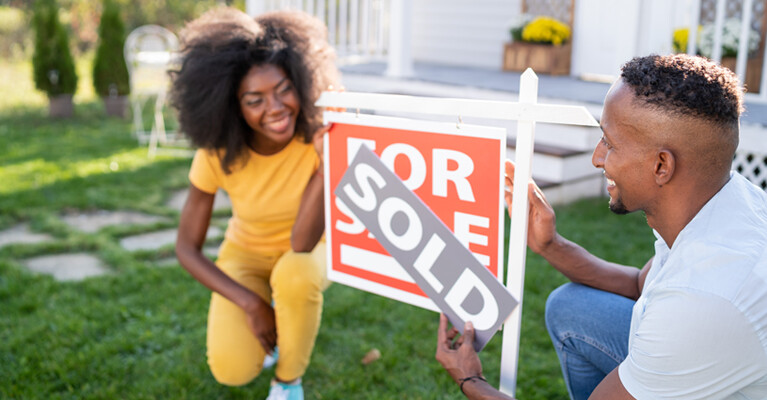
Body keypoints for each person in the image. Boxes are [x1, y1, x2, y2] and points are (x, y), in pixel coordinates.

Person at [436, 53, 767, 399]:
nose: (597, 157)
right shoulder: (725, 200)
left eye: (609, 143)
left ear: (661, 166)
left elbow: (693, 304)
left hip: (704, 340)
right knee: (572, 307)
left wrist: (470, 380)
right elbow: (640, 283)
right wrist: (551, 245)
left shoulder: (703, 301)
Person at [171, 7, 340, 400]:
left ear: (302, 80)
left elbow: (302, 244)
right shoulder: (217, 152)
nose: (276, 108)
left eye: (284, 88)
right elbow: (186, 248)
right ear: (231, 105)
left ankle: (288, 382)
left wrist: (324, 165)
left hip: (312, 249)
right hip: (246, 253)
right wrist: (251, 303)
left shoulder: (320, 137)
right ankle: (273, 315)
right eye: (255, 99)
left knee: (295, 273)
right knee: (231, 370)